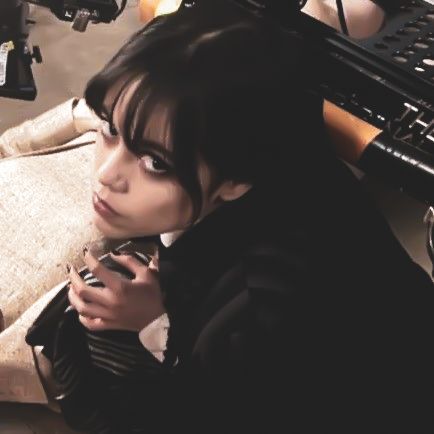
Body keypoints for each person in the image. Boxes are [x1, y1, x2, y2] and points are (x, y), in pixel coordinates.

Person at [25, 0, 434, 433]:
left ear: (236, 181)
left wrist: (155, 323)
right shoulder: (268, 138)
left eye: (156, 164)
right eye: (109, 129)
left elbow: (212, 411)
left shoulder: (261, 310)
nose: (106, 176)